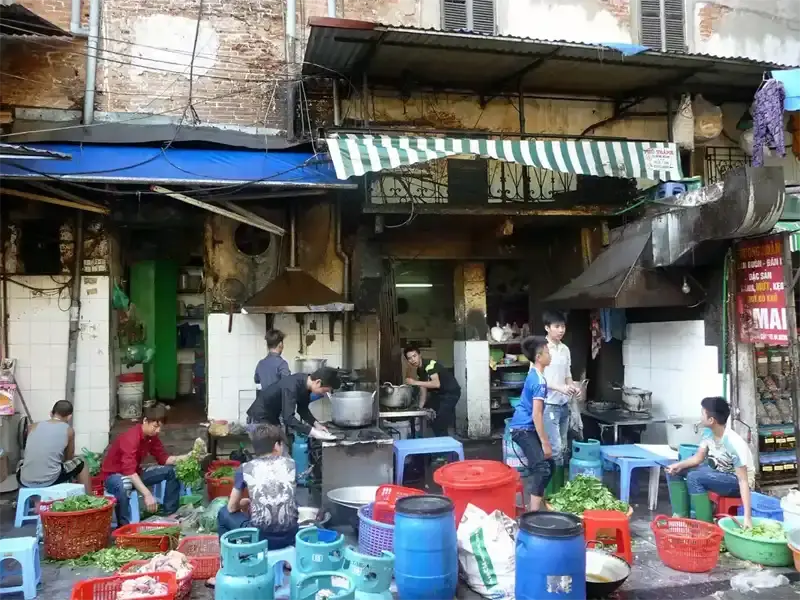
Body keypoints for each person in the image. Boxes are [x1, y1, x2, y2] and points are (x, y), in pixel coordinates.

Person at [665, 396, 754, 526]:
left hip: (735, 481)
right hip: (718, 472)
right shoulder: (708, 433)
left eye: (702, 413)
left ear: (711, 420)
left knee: (694, 477)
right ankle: (681, 518)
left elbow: (743, 480)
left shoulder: (733, 443)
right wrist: (678, 465)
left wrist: (747, 517)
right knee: (673, 471)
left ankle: (705, 526)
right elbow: (698, 458)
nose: (700, 417)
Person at [101, 404, 187, 526]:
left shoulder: (152, 437)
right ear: (145, 421)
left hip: (135, 473)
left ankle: (169, 514)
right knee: (124, 483)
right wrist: (147, 494)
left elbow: (164, 459)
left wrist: (189, 456)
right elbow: (129, 471)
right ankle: (123, 526)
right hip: (114, 476)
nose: (158, 430)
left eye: (160, 427)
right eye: (155, 426)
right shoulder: (131, 438)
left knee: (172, 471)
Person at [508, 336, 552, 511]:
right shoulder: (539, 381)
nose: (550, 355)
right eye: (548, 352)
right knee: (542, 469)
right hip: (523, 429)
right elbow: (537, 414)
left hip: (523, 427)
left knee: (550, 465)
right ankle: (533, 514)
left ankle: (534, 502)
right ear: (539, 357)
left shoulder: (534, 373)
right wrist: (545, 442)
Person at [538, 310, 581, 494]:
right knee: (554, 450)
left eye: (563, 326)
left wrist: (573, 387)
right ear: (547, 328)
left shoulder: (565, 349)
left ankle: (558, 490)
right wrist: (560, 388)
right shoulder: (541, 349)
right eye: (557, 326)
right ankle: (549, 491)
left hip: (564, 405)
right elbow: (537, 378)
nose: (561, 330)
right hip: (548, 405)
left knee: (562, 449)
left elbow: (568, 375)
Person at [18, 400, 91, 494]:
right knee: (81, 461)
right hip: (50, 480)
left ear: (51, 413)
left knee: (21, 463)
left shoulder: (32, 427)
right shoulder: (69, 430)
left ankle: (23, 498)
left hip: (24, 479)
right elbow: (69, 458)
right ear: (69, 417)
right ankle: (90, 498)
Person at [246, 368, 340, 435]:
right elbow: (288, 418)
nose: (324, 394)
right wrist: (312, 432)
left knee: (280, 453)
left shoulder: (305, 385)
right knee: (272, 457)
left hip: (270, 419)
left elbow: (302, 409)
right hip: (258, 419)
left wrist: (316, 424)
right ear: (318, 382)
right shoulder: (292, 386)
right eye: (324, 391)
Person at [404, 346, 462, 436]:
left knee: (440, 422)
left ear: (420, 355)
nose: (413, 360)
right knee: (431, 416)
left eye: (414, 356)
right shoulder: (420, 370)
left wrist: (414, 382)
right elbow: (423, 389)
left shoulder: (429, 364)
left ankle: (445, 446)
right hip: (439, 394)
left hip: (450, 393)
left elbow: (436, 384)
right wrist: (420, 407)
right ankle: (436, 441)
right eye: (409, 358)